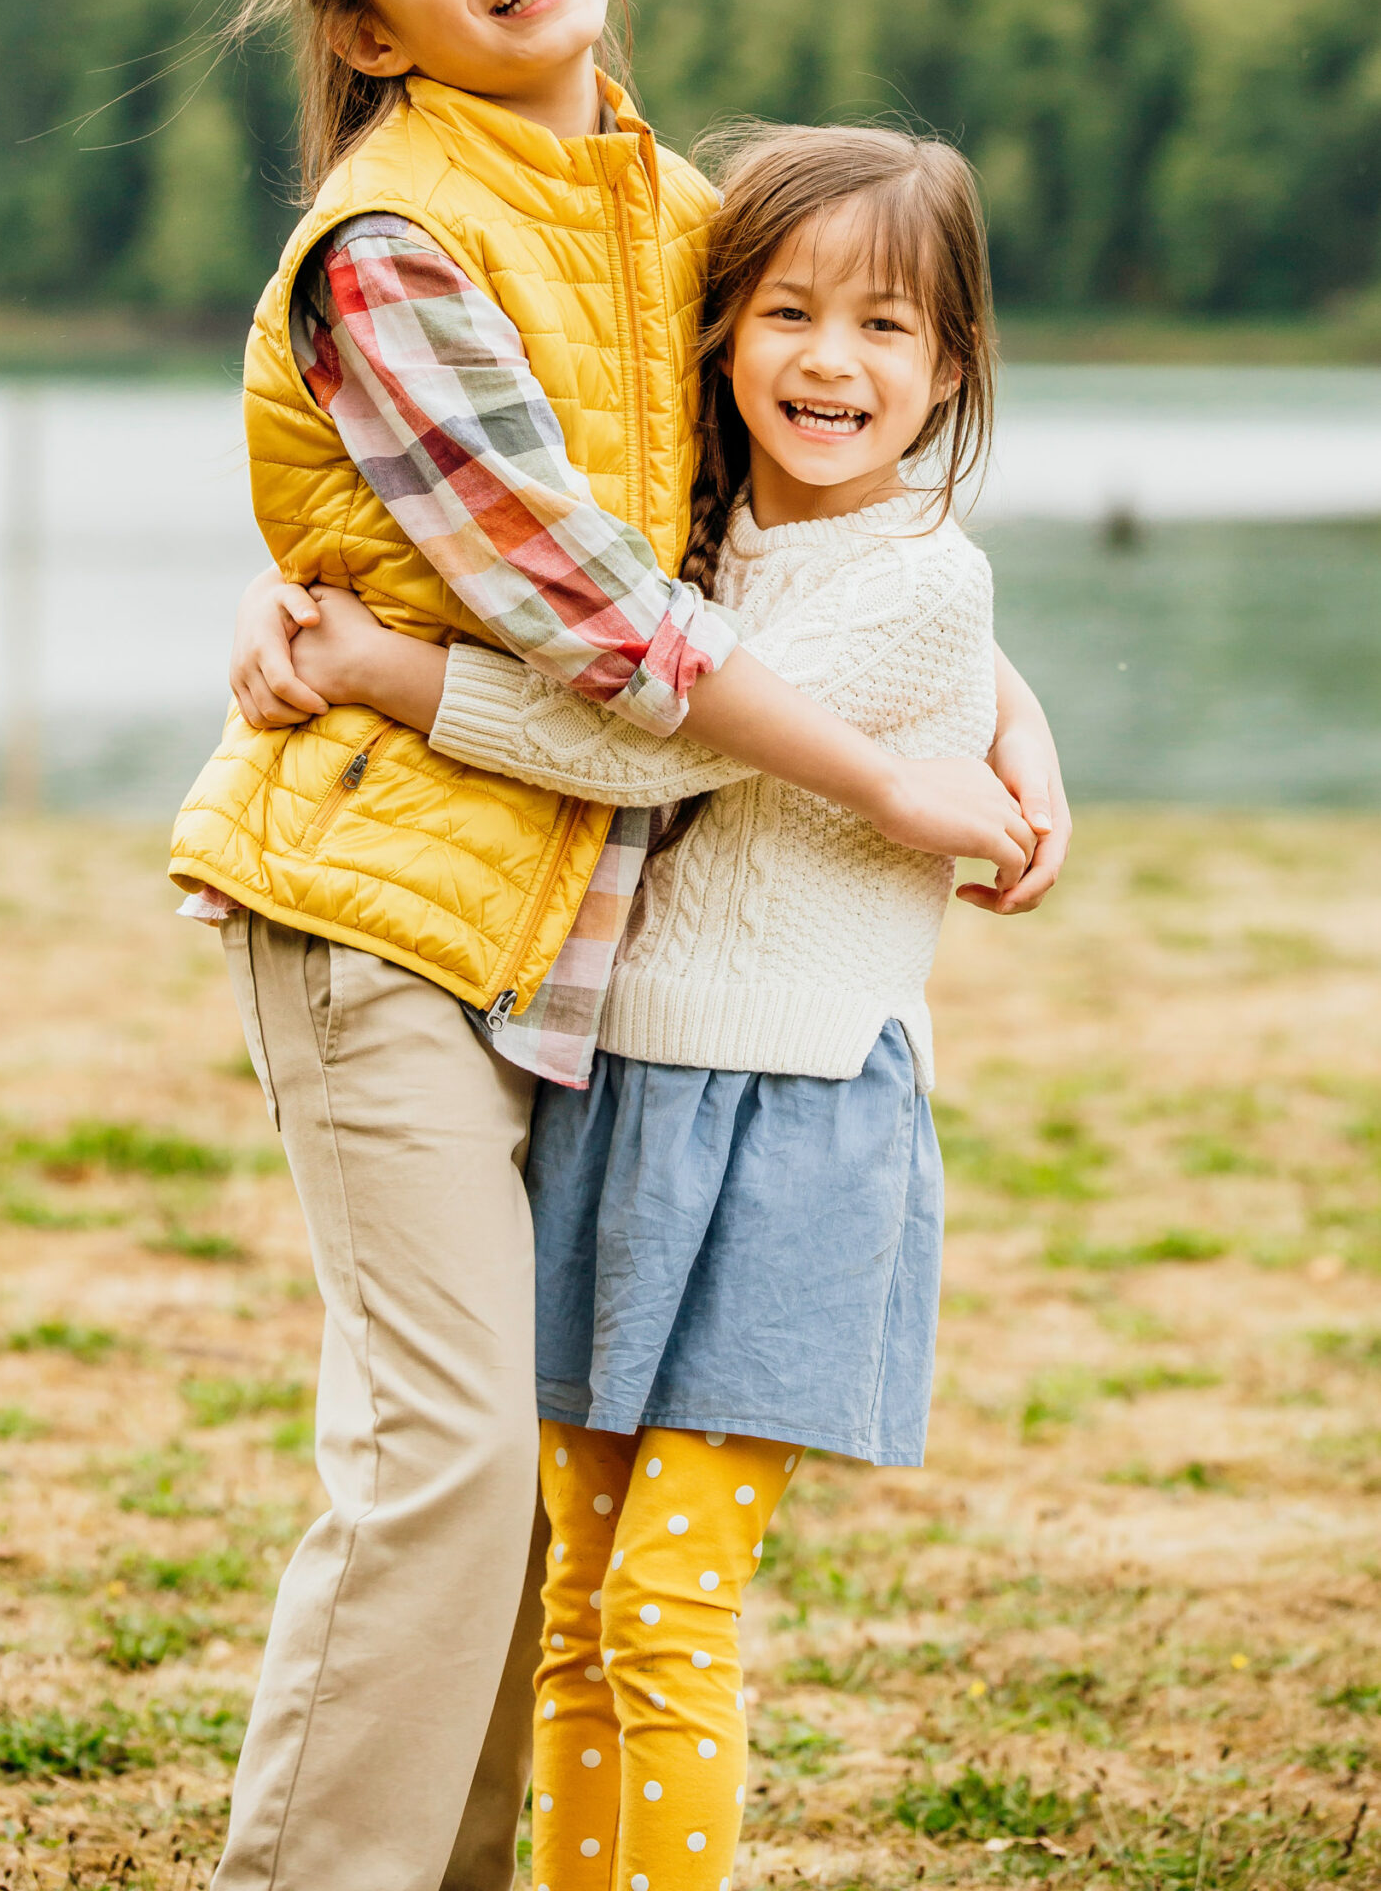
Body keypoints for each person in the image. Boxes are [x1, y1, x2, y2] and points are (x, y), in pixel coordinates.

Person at [170, 0, 1068, 1891]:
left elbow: (776, 540)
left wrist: (999, 703)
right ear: (363, 19)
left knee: (511, 1487)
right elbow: (615, 628)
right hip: (383, 909)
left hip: (576, 943)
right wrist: (877, 766)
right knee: (448, 1457)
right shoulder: (395, 246)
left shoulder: (669, 210)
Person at [273, 119, 1020, 1891]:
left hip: (790, 1133)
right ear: (720, 335)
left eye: (886, 328)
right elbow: (591, 608)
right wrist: (305, 588)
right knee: (583, 1612)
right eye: (785, 311)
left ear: (951, 370)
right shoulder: (691, 534)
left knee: (671, 1607)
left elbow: (640, 719)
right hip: (615, 1110)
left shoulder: (928, 587)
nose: (828, 361)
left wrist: (390, 674)